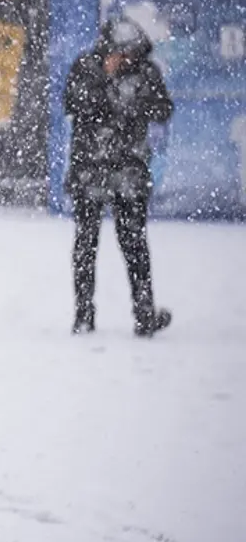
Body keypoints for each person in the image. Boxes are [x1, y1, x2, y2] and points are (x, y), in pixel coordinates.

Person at [64, 17, 174, 337]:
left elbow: (163, 108)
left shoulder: (145, 71)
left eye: (131, 53)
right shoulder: (86, 67)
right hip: (91, 170)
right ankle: (83, 314)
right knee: (86, 244)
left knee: (134, 244)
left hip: (129, 170)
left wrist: (132, 101)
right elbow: (73, 104)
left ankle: (144, 315)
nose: (125, 59)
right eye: (120, 53)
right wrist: (106, 83)